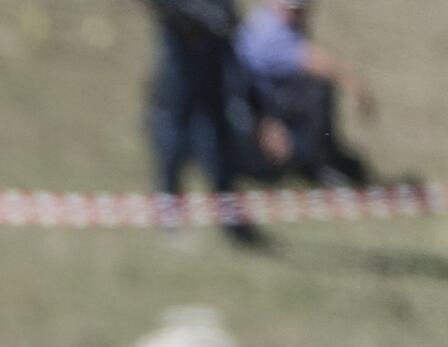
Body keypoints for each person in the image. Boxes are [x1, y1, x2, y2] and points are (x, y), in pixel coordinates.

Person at [140, 0, 267, 247]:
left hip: (215, 54)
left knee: (219, 141)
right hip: (182, 51)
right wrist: (196, 15)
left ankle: (232, 222)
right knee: (173, 138)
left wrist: (224, 19)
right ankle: (169, 216)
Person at [235, 0, 375, 187]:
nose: (302, 15)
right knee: (317, 91)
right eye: (295, 10)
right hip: (255, 115)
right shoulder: (269, 32)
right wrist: (356, 86)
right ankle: (314, 162)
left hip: (260, 103)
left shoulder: (265, 18)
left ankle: (321, 156)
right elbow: (318, 63)